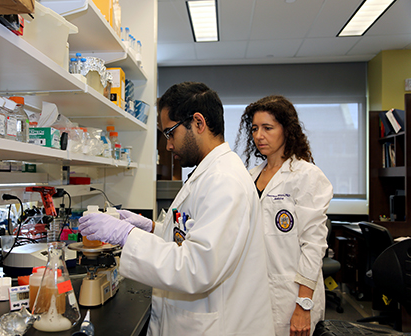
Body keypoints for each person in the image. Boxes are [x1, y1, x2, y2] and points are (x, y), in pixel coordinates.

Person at [78, 82, 274, 335]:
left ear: (198, 123)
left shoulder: (225, 180)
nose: (168, 145)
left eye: (170, 133)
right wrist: (152, 229)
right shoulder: (207, 173)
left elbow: (196, 268)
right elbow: (195, 235)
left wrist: (126, 236)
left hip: (219, 324)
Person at [234, 95, 333, 336]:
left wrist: (303, 305)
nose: (259, 135)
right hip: (255, 292)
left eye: (268, 128)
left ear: (287, 130)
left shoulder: (307, 176)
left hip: (291, 295)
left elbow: (313, 245)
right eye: (255, 128)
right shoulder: (250, 176)